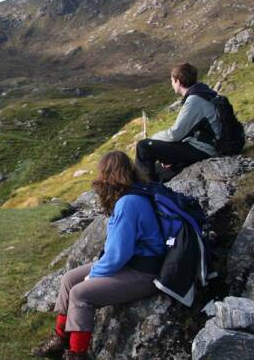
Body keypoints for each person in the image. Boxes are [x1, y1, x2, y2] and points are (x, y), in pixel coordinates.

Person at [31, 151, 166, 359]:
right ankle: (61, 339)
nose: (98, 178)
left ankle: (77, 354)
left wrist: (93, 275)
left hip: (143, 272)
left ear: (111, 175)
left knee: (80, 293)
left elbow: (116, 256)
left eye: (102, 173)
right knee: (68, 280)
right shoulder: (131, 194)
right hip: (131, 264)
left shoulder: (128, 203)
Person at [135, 62, 221, 182]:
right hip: (209, 143)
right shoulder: (203, 92)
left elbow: (175, 134)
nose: (172, 84)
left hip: (206, 148)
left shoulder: (194, 101)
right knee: (158, 170)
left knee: (143, 146)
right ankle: (152, 184)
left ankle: (145, 189)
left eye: (172, 81)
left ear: (178, 82)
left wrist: (154, 138)